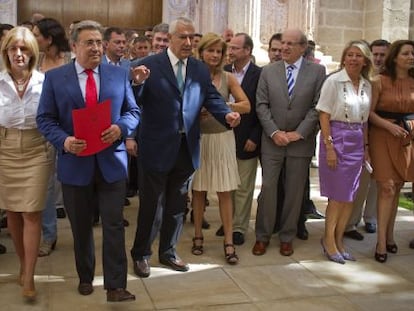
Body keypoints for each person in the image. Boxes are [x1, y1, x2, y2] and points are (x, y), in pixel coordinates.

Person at [36, 20, 139, 302]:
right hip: (75, 163)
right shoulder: (56, 78)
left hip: (112, 162)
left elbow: (133, 111)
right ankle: (85, 275)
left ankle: (116, 285)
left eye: (98, 42)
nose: (96, 47)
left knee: (114, 224)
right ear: (73, 46)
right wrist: (65, 141)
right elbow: (44, 119)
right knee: (81, 227)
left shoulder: (118, 75)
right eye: (89, 42)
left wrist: (121, 128)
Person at [130, 17, 241, 278]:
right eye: (183, 37)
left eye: (193, 37)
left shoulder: (199, 69)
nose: (189, 42)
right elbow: (133, 102)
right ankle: (141, 254)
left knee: (177, 206)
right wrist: (136, 84)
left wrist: (226, 114)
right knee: (151, 206)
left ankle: (168, 252)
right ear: (170, 39)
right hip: (156, 147)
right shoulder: (147, 65)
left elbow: (211, 97)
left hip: (186, 147)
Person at [253, 29, 325, 257]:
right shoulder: (268, 71)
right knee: (268, 188)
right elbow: (261, 105)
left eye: (291, 44)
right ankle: (262, 236)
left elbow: (318, 106)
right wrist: (274, 132)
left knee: (294, 192)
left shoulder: (317, 71)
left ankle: (287, 237)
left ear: (303, 47)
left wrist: (299, 133)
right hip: (272, 141)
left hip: (300, 144)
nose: (284, 47)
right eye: (283, 43)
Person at [0, 26, 53, 301]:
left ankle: (29, 275)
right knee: (12, 212)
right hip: (4, 149)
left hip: (37, 149)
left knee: (31, 213)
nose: (18, 54)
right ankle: (22, 263)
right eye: (13, 49)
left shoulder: (45, 82)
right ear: (6, 52)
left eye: (24, 49)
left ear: (32, 52)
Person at [191, 32, 250, 264]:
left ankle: (228, 241)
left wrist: (223, 106)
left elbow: (246, 106)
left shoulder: (228, 78)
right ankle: (197, 236)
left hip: (223, 139)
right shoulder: (191, 76)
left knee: (225, 192)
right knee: (198, 191)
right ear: (201, 52)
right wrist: (197, 111)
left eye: (219, 51)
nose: (215, 55)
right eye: (210, 50)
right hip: (200, 139)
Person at [317, 40, 373, 264]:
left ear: (365, 60)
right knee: (337, 197)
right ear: (344, 58)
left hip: (357, 140)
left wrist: (366, 148)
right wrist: (329, 147)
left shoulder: (367, 85)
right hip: (337, 138)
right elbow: (323, 115)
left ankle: (340, 240)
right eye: (349, 54)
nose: (353, 59)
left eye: (358, 55)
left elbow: (365, 121)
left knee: (350, 195)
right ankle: (328, 240)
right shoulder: (333, 81)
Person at [368, 40, 414, 262]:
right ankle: (380, 243)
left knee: (396, 187)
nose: (411, 57)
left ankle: (390, 235)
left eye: (413, 53)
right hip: (382, 137)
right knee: (385, 186)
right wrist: (388, 126)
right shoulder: (379, 82)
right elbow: (369, 113)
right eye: (406, 53)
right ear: (395, 57)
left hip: (406, 139)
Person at [344, 39, 391, 241]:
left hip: (384, 136)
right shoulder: (364, 79)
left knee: (378, 180)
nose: (379, 58)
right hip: (362, 134)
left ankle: (370, 217)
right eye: (375, 54)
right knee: (361, 182)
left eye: (383, 54)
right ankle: (351, 222)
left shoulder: (390, 78)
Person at [32, 17, 72, 257]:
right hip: (43, 129)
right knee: (46, 186)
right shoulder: (34, 62)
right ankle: (49, 234)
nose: (33, 39)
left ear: (49, 38)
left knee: (75, 183)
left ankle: (81, 232)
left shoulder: (70, 62)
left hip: (70, 129)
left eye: (37, 35)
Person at [224, 32, 261, 246]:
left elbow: (262, 108)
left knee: (244, 186)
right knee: (226, 184)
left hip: (247, 137)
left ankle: (239, 227)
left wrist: (255, 136)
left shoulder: (259, 74)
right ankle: (228, 222)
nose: (231, 51)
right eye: (230, 47)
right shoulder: (224, 71)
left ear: (247, 51)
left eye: (236, 48)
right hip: (223, 135)